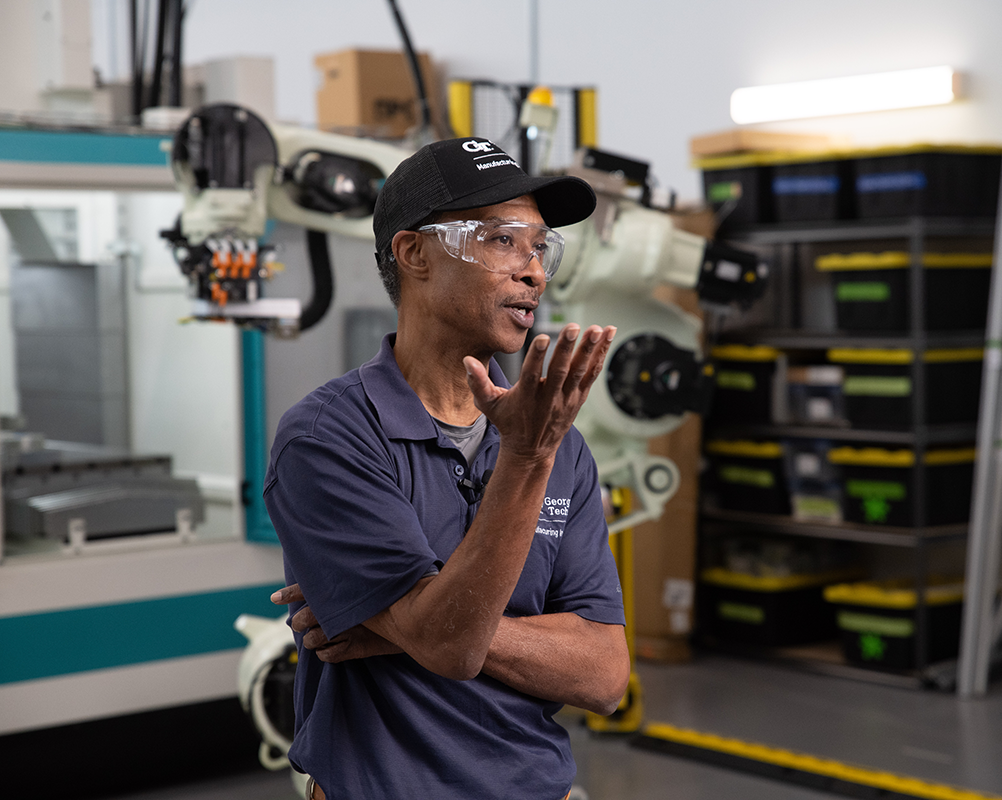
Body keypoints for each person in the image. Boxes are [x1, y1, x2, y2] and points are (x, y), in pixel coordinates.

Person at [264, 136, 631, 800]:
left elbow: (604, 676)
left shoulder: (559, 444)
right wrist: (525, 458)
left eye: (540, 247)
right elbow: (450, 648)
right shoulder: (328, 439)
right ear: (414, 254)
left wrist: (402, 631)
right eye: (502, 241)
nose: (535, 272)